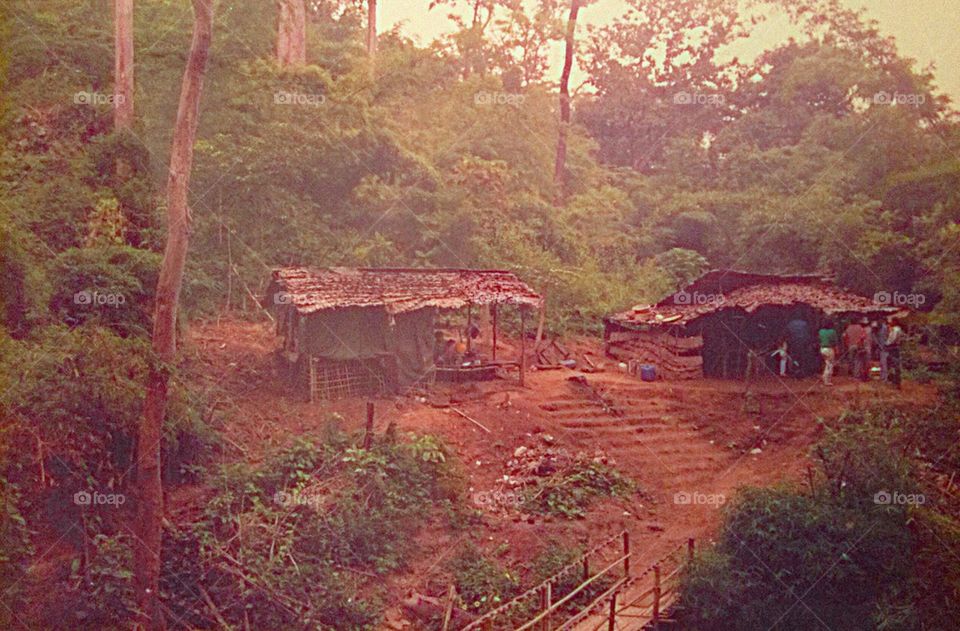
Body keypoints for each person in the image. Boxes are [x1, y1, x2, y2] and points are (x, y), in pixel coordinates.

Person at [818, 320, 839, 386]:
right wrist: (837, 350)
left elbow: (819, 339)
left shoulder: (821, 331)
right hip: (829, 349)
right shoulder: (832, 332)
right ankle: (827, 380)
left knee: (826, 363)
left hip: (822, 349)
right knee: (830, 365)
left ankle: (824, 376)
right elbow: (835, 342)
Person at [885, 317, 904, 388]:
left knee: (893, 364)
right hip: (894, 347)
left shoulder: (895, 329)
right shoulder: (897, 329)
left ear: (895, 322)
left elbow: (892, 339)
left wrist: (886, 344)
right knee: (894, 364)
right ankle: (895, 381)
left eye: (891, 321)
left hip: (893, 347)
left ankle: (895, 381)